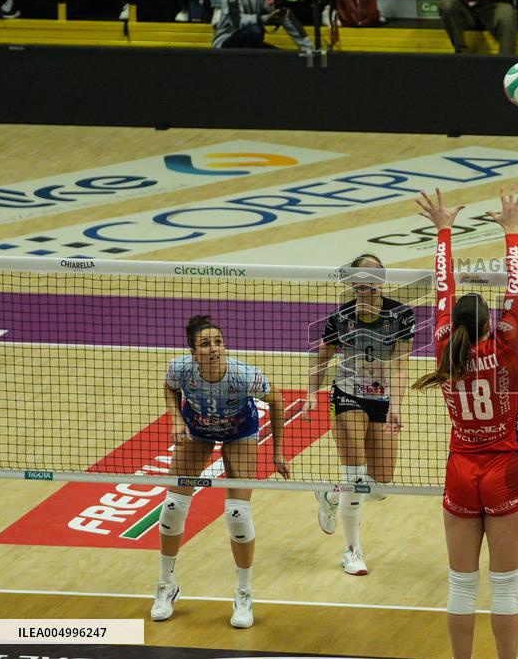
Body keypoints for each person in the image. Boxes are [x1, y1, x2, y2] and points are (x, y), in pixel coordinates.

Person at [412, 187, 518, 659]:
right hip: (503, 468)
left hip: (461, 469)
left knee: (461, 586)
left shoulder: (444, 345)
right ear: (489, 324)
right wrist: (512, 230)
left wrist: (444, 229)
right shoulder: (503, 345)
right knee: (505, 588)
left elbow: (442, 289)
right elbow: (516, 289)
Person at [152, 315, 289, 629]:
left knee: (237, 514)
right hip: (198, 430)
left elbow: (277, 401)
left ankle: (244, 593)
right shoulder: (180, 369)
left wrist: (278, 450)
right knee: (172, 508)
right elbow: (169, 389)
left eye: (218, 342)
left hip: (240, 432)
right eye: (205, 344)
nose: (214, 349)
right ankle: (166, 585)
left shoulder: (244, 375)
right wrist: (176, 418)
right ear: (193, 351)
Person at [304, 253, 415, 576]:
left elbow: (401, 363)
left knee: (380, 486)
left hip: (381, 400)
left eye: (376, 276)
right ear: (355, 283)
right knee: (354, 476)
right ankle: (351, 550)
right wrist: (312, 393)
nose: (372, 283)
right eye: (364, 277)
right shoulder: (340, 318)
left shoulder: (401, 315)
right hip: (348, 394)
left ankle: (328, 494)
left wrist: (396, 405)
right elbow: (322, 359)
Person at [212, 0, 314, 50]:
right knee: (255, 31)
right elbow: (236, 21)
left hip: (251, 43)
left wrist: (308, 48)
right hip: (225, 44)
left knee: (281, 58)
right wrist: (265, 18)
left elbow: (285, 17)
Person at [438, 0, 518, 56]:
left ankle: (505, 63)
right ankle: (461, 56)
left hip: (493, 6)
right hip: (465, 8)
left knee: (507, 13)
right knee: (447, 3)